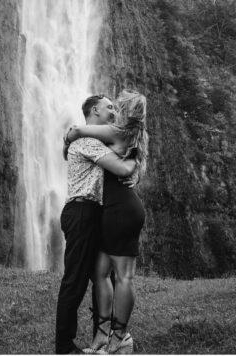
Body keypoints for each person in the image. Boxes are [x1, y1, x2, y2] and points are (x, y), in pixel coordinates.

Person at [65, 91, 149, 355]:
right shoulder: (136, 136)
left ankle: (120, 337)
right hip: (109, 208)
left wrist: (67, 140)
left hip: (122, 208)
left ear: (124, 110)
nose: (112, 110)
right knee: (100, 273)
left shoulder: (117, 131)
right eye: (109, 106)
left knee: (123, 275)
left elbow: (78, 130)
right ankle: (102, 337)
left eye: (116, 105)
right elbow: (131, 165)